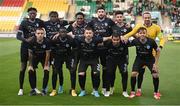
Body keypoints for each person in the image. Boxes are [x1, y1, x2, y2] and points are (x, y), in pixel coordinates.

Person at [121, 11, 165, 97]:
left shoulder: (157, 27)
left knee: (155, 72)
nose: (147, 19)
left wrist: (160, 46)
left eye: (148, 17)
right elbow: (131, 33)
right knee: (140, 72)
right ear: (143, 18)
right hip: (141, 52)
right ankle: (138, 90)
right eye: (145, 18)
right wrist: (124, 37)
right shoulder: (138, 26)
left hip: (151, 53)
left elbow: (162, 38)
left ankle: (156, 91)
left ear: (151, 18)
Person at [69, 27, 111, 97]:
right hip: (83, 60)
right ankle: (83, 91)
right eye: (87, 33)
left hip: (94, 59)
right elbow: (71, 35)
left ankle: (95, 91)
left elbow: (106, 38)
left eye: (90, 33)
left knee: (96, 73)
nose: (88, 34)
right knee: (81, 74)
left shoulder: (96, 39)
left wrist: (113, 37)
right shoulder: (80, 39)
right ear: (84, 34)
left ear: (92, 34)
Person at [16, 7, 45, 96]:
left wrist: (72, 23)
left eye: (34, 13)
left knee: (32, 68)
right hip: (25, 47)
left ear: (36, 14)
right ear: (28, 14)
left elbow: (49, 24)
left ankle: (34, 88)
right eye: (31, 13)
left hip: (34, 48)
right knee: (23, 68)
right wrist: (26, 40)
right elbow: (18, 36)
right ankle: (21, 88)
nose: (33, 14)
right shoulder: (24, 22)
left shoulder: (39, 22)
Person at [87, 7, 115, 95]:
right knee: (94, 69)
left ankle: (104, 88)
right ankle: (94, 88)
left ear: (105, 13)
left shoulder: (110, 21)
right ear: (97, 13)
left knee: (105, 69)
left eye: (102, 12)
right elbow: (87, 31)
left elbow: (115, 32)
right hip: (95, 49)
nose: (101, 13)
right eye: (99, 12)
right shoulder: (92, 21)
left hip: (106, 49)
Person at [128, 27, 161, 100]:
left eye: (144, 33)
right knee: (133, 73)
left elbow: (158, 51)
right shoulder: (135, 41)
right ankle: (133, 92)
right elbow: (127, 45)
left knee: (155, 75)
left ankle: (156, 92)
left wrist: (155, 64)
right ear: (138, 34)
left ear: (146, 34)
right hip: (139, 59)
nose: (142, 34)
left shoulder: (151, 41)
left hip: (150, 59)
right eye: (140, 33)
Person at [108, 10, 132, 95]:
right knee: (111, 72)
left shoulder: (128, 27)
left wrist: (127, 40)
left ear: (123, 17)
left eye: (120, 17)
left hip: (123, 54)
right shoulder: (112, 27)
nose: (119, 18)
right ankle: (111, 88)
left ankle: (124, 91)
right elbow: (109, 38)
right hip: (112, 54)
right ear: (115, 18)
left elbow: (132, 36)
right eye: (117, 17)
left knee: (124, 73)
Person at [44, 11, 69, 95]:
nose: (53, 18)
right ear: (49, 17)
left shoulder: (62, 23)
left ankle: (61, 86)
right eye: (52, 16)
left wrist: (58, 33)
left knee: (59, 70)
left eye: (55, 16)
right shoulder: (45, 24)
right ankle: (46, 86)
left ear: (58, 17)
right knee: (49, 69)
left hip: (59, 50)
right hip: (49, 50)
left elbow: (69, 25)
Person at [66, 12, 88, 96]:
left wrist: (75, 36)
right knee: (73, 70)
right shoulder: (71, 26)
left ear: (83, 18)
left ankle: (83, 89)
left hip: (84, 50)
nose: (79, 20)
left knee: (83, 71)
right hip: (74, 51)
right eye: (78, 18)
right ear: (76, 18)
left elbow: (89, 35)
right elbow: (63, 30)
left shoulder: (87, 26)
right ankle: (73, 89)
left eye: (81, 18)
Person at [49, 27, 74, 96]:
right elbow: (51, 48)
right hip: (58, 57)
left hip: (67, 56)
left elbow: (75, 47)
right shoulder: (55, 39)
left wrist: (72, 57)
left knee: (72, 71)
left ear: (66, 32)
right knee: (56, 72)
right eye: (61, 32)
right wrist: (53, 59)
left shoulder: (70, 39)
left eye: (64, 32)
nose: (63, 33)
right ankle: (55, 89)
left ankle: (73, 89)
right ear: (59, 33)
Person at [28, 27, 50, 96]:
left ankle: (44, 89)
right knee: (31, 71)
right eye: (38, 33)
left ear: (44, 34)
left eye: (41, 33)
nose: (40, 35)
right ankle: (33, 89)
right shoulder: (31, 41)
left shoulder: (47, 41)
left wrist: (46, 65)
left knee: (46, 70)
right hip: (35, 57)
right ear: (35, 34)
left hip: (44, 57)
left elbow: (48, 54)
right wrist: (30, 65)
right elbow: (30, 53)